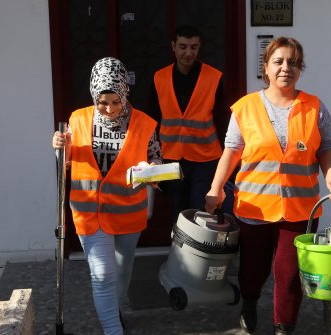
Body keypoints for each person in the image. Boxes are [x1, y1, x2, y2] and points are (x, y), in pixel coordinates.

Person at [204, 37, 331, 335]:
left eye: (293, 63)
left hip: (299, 209)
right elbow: (231, 151)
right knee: (253, 270)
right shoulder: (245, 108)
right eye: (279, 61)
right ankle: (250, 302)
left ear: (300, 69)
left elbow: (327, 148)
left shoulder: (315, 107)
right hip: (254, 208)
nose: (286, 68)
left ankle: (284, 327)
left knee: (289, 274)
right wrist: (215, 189)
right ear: (265, 68)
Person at [52, 57, 162, 335]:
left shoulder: (145, 124)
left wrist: (152, 171)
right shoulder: (77, 120)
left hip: (128, 213)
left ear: (125, 93)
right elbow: (65, 161)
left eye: (116, 101)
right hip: (89, 212)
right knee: (102, 275)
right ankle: (113, 329)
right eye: (103, 102)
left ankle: (112, 311)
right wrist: (58, 147)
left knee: (122, 272)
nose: (110, 109)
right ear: (93, 95)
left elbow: (157, 163)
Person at [147, 25, 230, 216]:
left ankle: (198, 247)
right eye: (183, 47)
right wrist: (150, 156)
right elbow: (151, 119)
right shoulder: (159, 78)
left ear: (199, 48)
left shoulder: (214, 77)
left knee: (201, 210)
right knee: (177, 209)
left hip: (206, 159)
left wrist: (228, 159)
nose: (188, 52)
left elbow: (222, 119)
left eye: (193, 47)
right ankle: (180, 246)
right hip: (170, 157)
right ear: (173, 47)